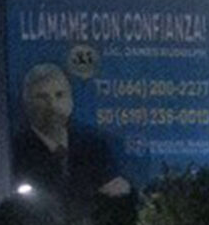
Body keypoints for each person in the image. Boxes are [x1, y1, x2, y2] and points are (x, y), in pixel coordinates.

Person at [11, 62, 131, 207]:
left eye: (59, 95)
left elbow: (116, 190)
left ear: (71, 101)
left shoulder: (95, 145)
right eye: (42, 97)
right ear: (27, 103)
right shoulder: (14, 151)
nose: (53, 105)